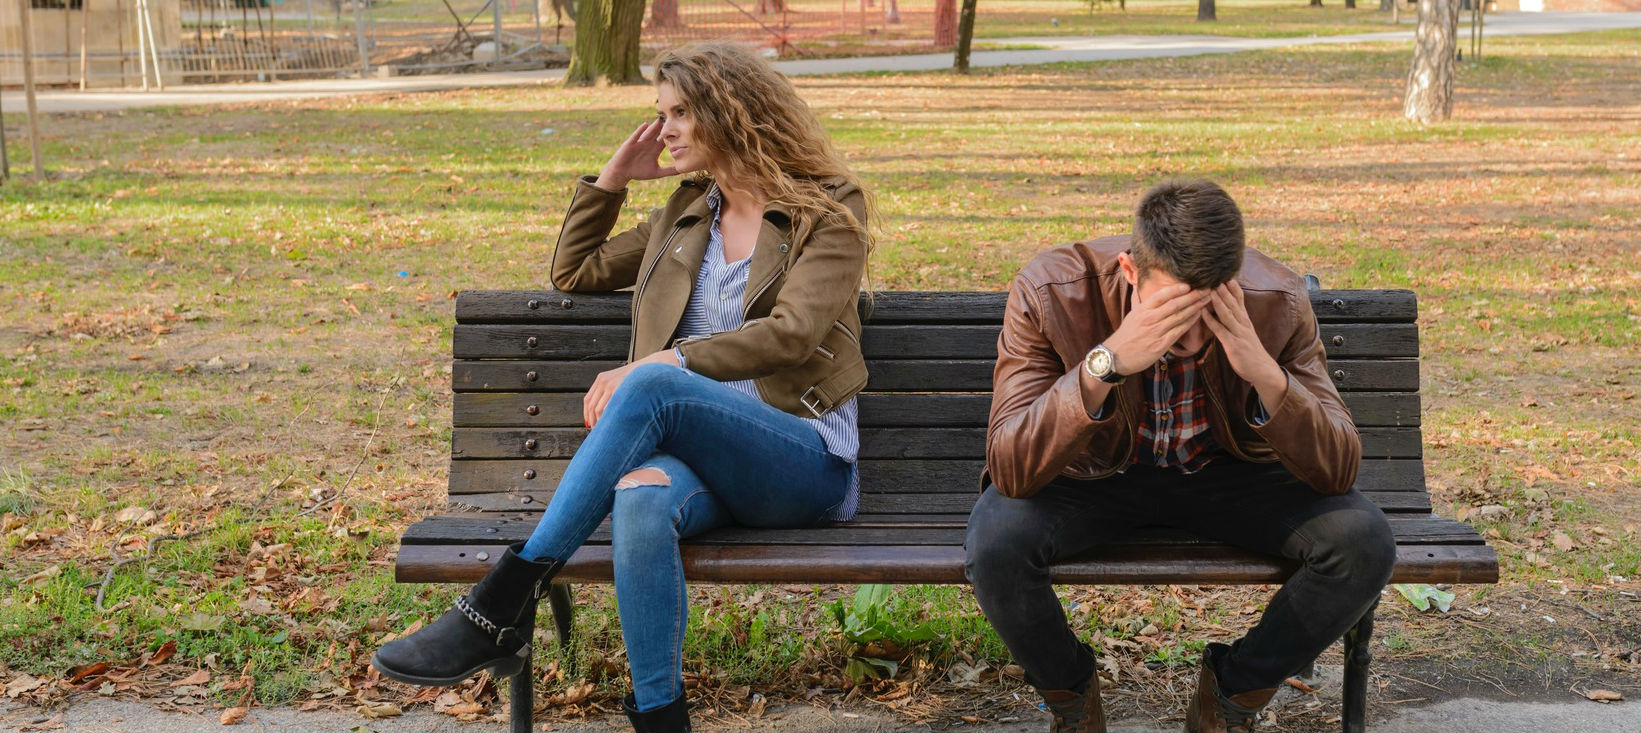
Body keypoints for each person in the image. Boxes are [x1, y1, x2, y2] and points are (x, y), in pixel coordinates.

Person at [371, 42, 874, 733]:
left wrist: (661, 363)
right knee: (639, 498)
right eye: (659, 113)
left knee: (656, 383)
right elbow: (574, 272)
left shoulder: (829, 209)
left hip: (804, 460)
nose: (663, 129)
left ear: (730, 112)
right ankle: (662, 718)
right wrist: (611, 181)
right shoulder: (686, 214)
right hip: (705, 464)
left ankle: (503, 599)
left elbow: (791, 335)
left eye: (678, 113)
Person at [963, 180, 1396, 733]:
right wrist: (1106, 363)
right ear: (1129, 271)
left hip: (1228, 475)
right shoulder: (1052, 290)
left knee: (1362, 543)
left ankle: (1230, 699)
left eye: (1207, 308)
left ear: (1234, 283)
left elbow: (1337, 470)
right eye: (1170, 308)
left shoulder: (1277, 299)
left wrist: (1262, 370)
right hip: (1094, 477)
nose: (1187, 333)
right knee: (996, 543)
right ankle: (1073, 702)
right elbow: (1011, 468)